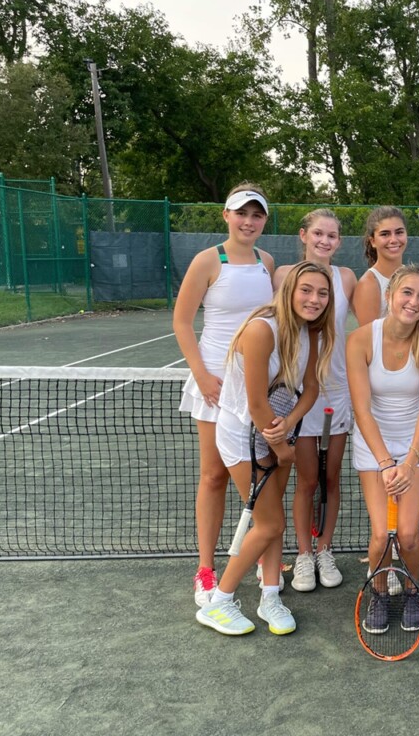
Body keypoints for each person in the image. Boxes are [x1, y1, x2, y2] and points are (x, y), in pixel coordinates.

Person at [195, 261, 335, 635]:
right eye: (306, 290)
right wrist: (284, 446)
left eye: (322, 293)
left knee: (273, 524)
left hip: (276, 431)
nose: (314, 299)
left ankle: (270, 595)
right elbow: (256, 403)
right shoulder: (261, 331)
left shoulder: (312, 333)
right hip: (242, 435)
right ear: (288, 290)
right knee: (270, 523)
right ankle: (219, 601)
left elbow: (311, 389)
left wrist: (287, 427)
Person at [174, 184, 276, 608]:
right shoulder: (207, 261)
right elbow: (181, 323)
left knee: (261, 478)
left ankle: (261, 564)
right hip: (215, 386)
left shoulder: (267, 263)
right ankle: (205, 568)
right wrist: (203, 376)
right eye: (241, 214)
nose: (248, 222)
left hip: (258, 385)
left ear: (264, 221)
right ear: (226, 216)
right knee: (214, 476)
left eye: (256, 215)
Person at [347, 264, 419, 634]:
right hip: (374, 448)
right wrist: (387, 462)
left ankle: (411, 589)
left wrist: (410, 460)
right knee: (379, 536)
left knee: (407, 534)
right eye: (407, 293)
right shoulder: (359, 340)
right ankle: (379, 592)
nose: (414, 302)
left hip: (416, 447)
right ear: (389, 296)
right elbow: (361, 409)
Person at [274, 209, 357, 592]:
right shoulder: (285, 276)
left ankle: (326, 549)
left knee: (331, 477)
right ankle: (304, 555)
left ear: (339, 241)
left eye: (333, 235)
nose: (325, 241)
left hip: (337, 391)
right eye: (318, 234)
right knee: (306, 479)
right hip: (297, 391)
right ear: (304, 235)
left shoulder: (346, 278)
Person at [352, 206, 408, 326]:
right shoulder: (368, 284)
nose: (393, 239)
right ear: (373, 241)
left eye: (399, 232)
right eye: (385, 234)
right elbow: (370, 339)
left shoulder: (412, 276)